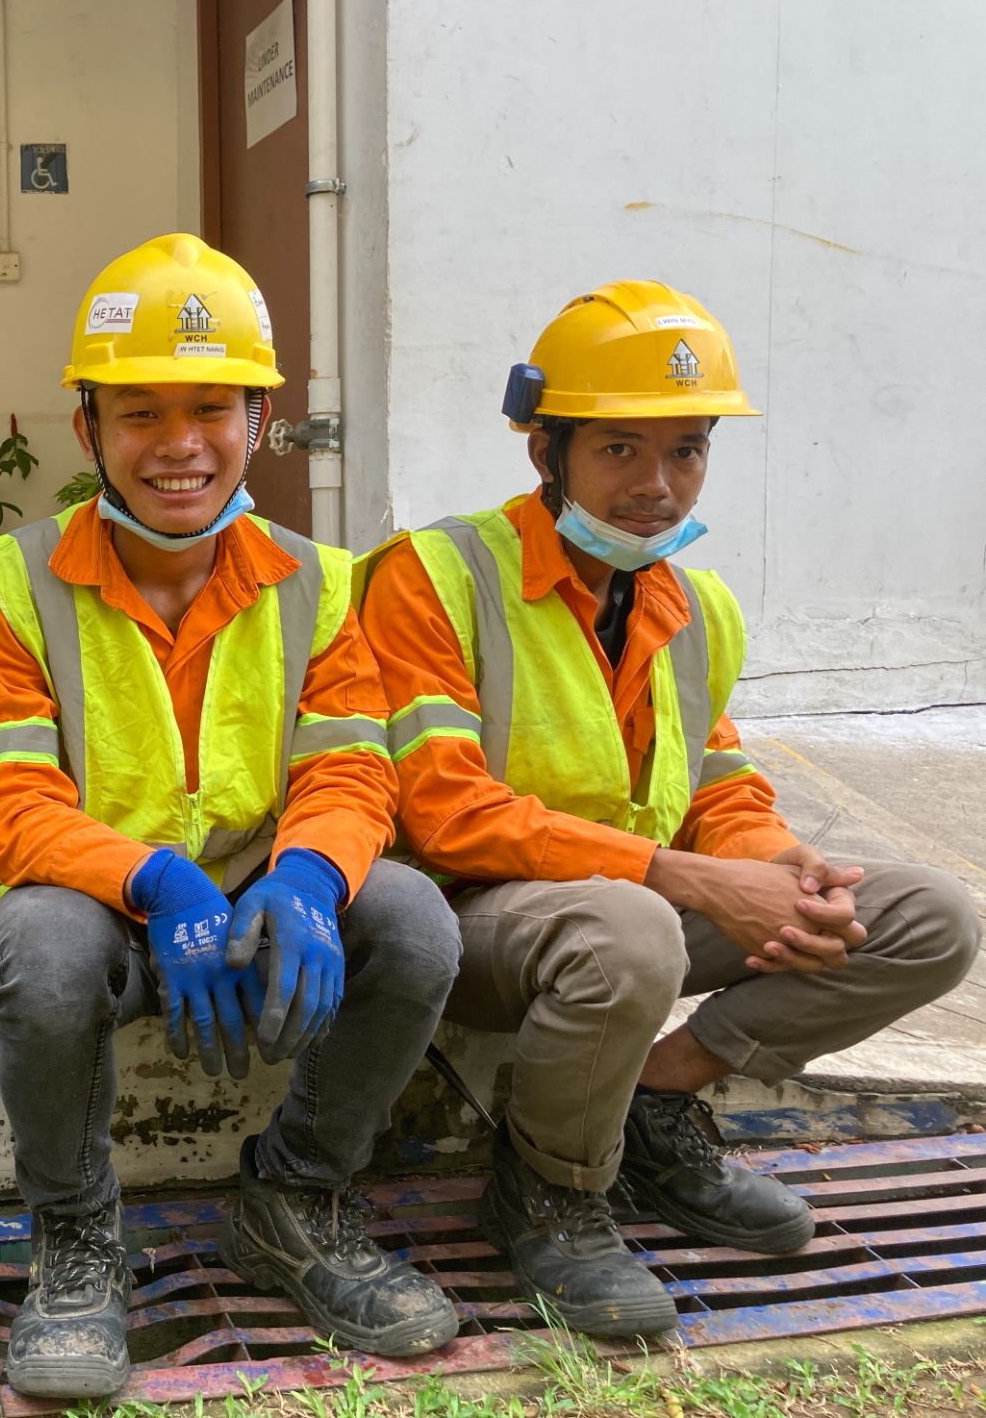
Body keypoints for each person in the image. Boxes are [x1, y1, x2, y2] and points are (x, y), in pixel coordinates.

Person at [359, 279, 981, 1338]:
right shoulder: (438, 573)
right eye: (618, 450)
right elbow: (445, 809)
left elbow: (714, 783)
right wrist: (691, 878)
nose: (656, 485)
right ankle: (548, 1189)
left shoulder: (695, 603)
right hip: (474, 926)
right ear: (543, 450)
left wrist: (787, 868)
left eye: (686, 450)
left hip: (625, 915)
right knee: (633, 923)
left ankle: (653, 1099)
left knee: (928, 914)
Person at [0, 233, 464, 1400]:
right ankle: (77, 1240)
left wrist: (307, 881)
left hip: (258, 892)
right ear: (87, 428)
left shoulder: (323, 582)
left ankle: (293, 1198)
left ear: (257, 420)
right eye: (139, 413)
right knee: (37, 949)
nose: (178, 444)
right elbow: (12, 803)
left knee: (415, 919)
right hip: (98, 900)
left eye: (211, 407)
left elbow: (349, 773)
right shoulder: (7, 582)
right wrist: (157, 882)